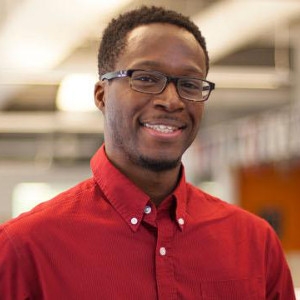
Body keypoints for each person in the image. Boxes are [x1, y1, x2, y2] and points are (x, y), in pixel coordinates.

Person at [0, 5, 296, 300]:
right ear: (102, 95)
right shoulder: (25, 248)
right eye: (145, 78)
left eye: (190, 84)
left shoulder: (255, 244)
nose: (171, 100)